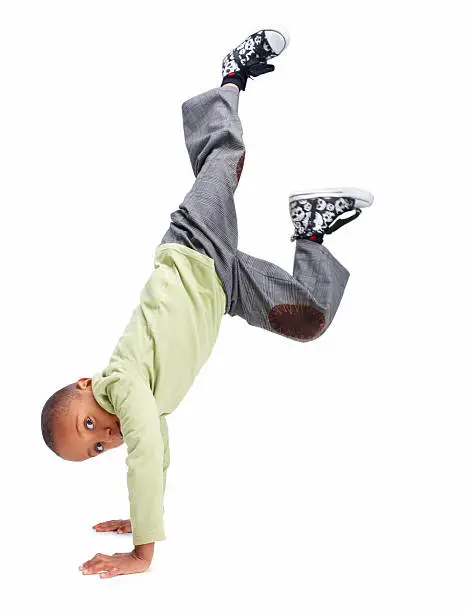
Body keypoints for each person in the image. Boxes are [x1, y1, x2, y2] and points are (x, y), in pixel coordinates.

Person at [40, 28, 374, 579]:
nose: (106, 435)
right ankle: (311, 233)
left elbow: (144, 450)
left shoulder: (121, 383)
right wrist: (140, 516)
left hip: (193, 247)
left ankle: (231, 78)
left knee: (226, 156)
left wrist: (143, 550)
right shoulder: (147, 402)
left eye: (88, 426)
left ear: (85, 387)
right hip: (222, 289)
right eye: (98, 448)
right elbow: (157, 457)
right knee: (308, 320)